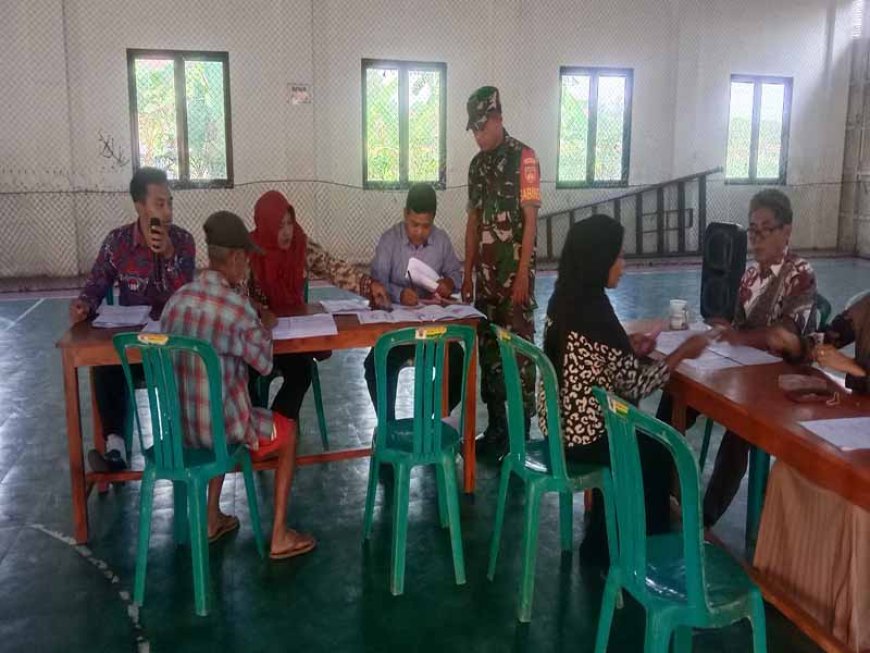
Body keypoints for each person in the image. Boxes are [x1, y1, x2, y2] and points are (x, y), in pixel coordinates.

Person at [542, 215, 710, 565]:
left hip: (558, 426)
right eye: (617, 257)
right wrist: (683, 352)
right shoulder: (595, 311)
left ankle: (605, 540)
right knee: (657, 453)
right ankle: (642, 554)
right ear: (599, 260)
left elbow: (597, 356)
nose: (623, 265)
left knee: (636, 443)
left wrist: (627, 346)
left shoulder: (567, 298)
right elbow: (636, 383)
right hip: (583, 436)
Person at [657, 188, 817, 528]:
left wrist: (739, 336)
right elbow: (739, 328)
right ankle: (664, 488)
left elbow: (785, 336)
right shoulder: (749, 276)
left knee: (739, 432)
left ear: (786, 231)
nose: (756, 239)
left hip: (781, 383)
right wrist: (723, 329)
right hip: (744, 372)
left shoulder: (799, 274)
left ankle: (705, 520)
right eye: (752, 230)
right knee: (675, 398)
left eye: (765, 229)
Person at [160, 211, 315, 559]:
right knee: (286, 433)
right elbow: (263, 363)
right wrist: (266, 325)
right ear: (234, 258)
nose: (248, 264)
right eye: (245, 257)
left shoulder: (177, 302)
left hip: (181, 432)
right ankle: (279, 535)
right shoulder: (237, 308)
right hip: (223, 430)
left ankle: (212, 517)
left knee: (215, 403)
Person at [754, 294, 869, 650]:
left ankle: (849, 621)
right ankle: (788, 592)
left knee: (856, 505)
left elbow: (844, 362)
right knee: (788, 472)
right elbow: (823, 342)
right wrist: (795, 345)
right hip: (859, 425)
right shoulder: (865, 307)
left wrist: (854, 369)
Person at [70, 167, 195, 473]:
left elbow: (187, 294)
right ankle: (115, 449)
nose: (167, 212)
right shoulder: (118, 243)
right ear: (140, 206)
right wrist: (83, 305)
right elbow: (97, 282)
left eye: (170, 203)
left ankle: (181, 443)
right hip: (134, 349)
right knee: (106, 360)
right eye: (159, 204)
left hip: (172, 349)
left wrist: (167, 254)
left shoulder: (183, 241)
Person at [246, 190, 390, 421]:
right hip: (257, 337)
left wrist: (368, 285)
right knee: (243, 374)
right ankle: (254, 435)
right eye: (279, 225)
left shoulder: (301, 245)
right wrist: (259, 310)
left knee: (301, 373)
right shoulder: (248, 252)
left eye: (290, 224)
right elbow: (236, 294)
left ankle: (276, 433)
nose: (286, 232)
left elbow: (331, 267)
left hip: (291, 335)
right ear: (264, 225)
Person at [461, 86, 540, 454]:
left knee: (521, 357)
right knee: (489, 355)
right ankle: (496, 430)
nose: (478, 135)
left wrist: (523, 273)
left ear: (498, 119)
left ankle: (521, 435)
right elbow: (473, 222)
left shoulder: (524, 158)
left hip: (514, 281)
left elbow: (531, 219)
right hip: (486, 285)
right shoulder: (477, 166)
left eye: (482, 127)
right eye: (474, 129)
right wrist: (466, 274)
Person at [365, 183, 465, 420]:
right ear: (405, 214)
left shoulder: (441, 241)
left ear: (433, 220)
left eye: (426, 226)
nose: (419, 231)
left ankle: (426, 419)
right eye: (414, 224)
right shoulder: (389, 240)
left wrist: (448, 284)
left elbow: (456, 274)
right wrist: (399, 294)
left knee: (459, 360)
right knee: (374, 366)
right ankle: (388, 428)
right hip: (398, 332)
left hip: (434, 330)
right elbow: (376, 281)